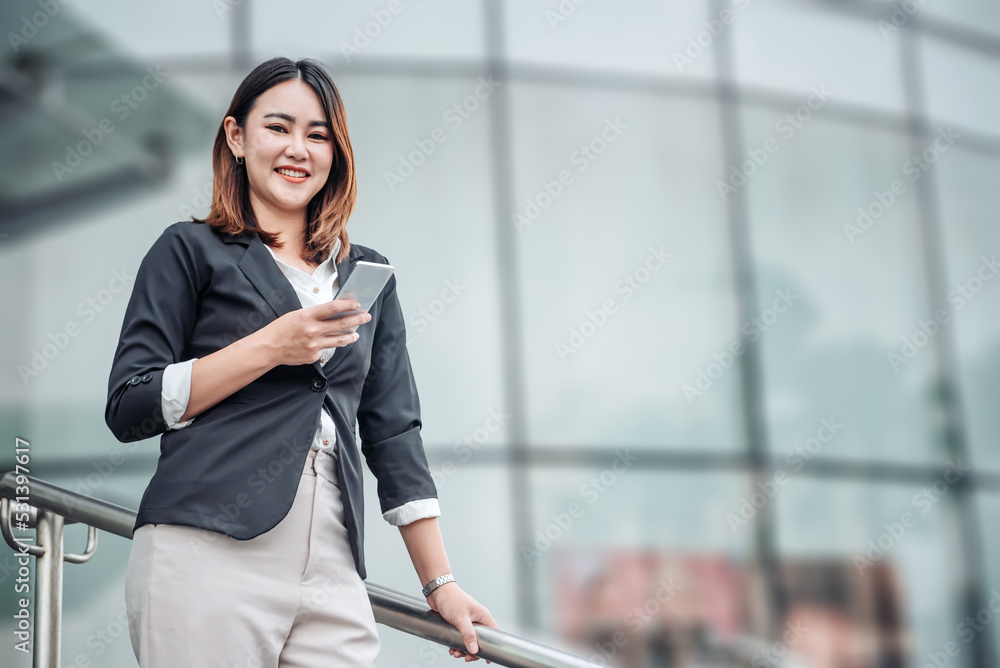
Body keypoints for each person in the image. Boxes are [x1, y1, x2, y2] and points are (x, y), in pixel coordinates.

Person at [104, 56, 498, 667]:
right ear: (236, 137)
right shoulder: (189, 250)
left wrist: (439, 583)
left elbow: (393, 431)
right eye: (278, 127)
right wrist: (271, 346)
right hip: (207, 548)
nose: (298, 149)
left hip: (334, 564)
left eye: (318, 135)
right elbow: (130, 403)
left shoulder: (367, 275)